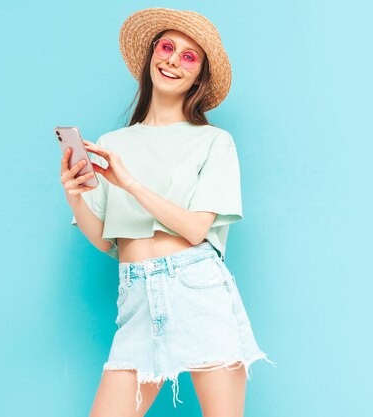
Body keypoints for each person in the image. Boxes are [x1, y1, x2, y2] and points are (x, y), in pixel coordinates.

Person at [59, 8, 276, 417]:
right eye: (167, 47)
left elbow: (196, 230)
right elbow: (107, 240)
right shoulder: (113, 142)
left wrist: (132, 185)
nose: (173, 60)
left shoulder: (214, 142)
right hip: (136, 295)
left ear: (200, 77)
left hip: (197, 289)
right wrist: (74, 197)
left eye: (189, 57)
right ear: (151, 56)